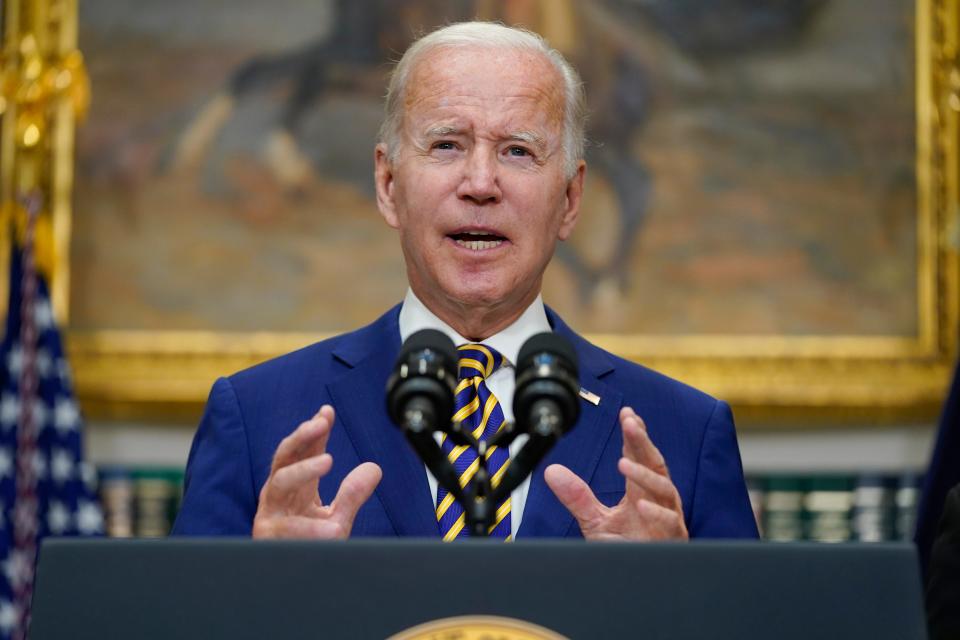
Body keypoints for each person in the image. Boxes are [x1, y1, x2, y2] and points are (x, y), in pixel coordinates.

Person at [172, 21, 759, 541]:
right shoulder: (256, 419)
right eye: (447, 145)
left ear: (572, 199)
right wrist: (260, 592)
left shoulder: (685, 434)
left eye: (518, 151)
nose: (481, 182)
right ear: (388, 185)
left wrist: (672, 597)